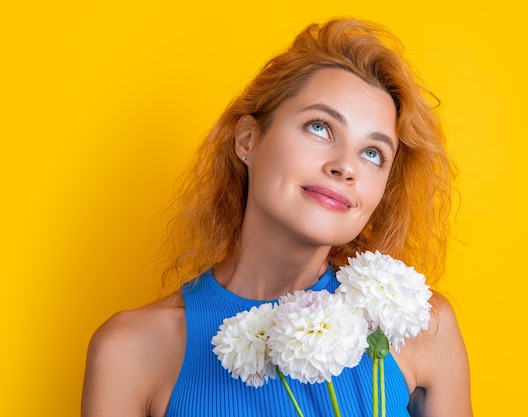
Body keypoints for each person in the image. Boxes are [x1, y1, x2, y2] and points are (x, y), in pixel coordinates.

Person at [81, 17, 472, 417]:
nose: (345, 166)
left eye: (373, 153)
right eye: (319, 127)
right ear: (248, 140)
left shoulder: (419, 329)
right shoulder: (131, 351)